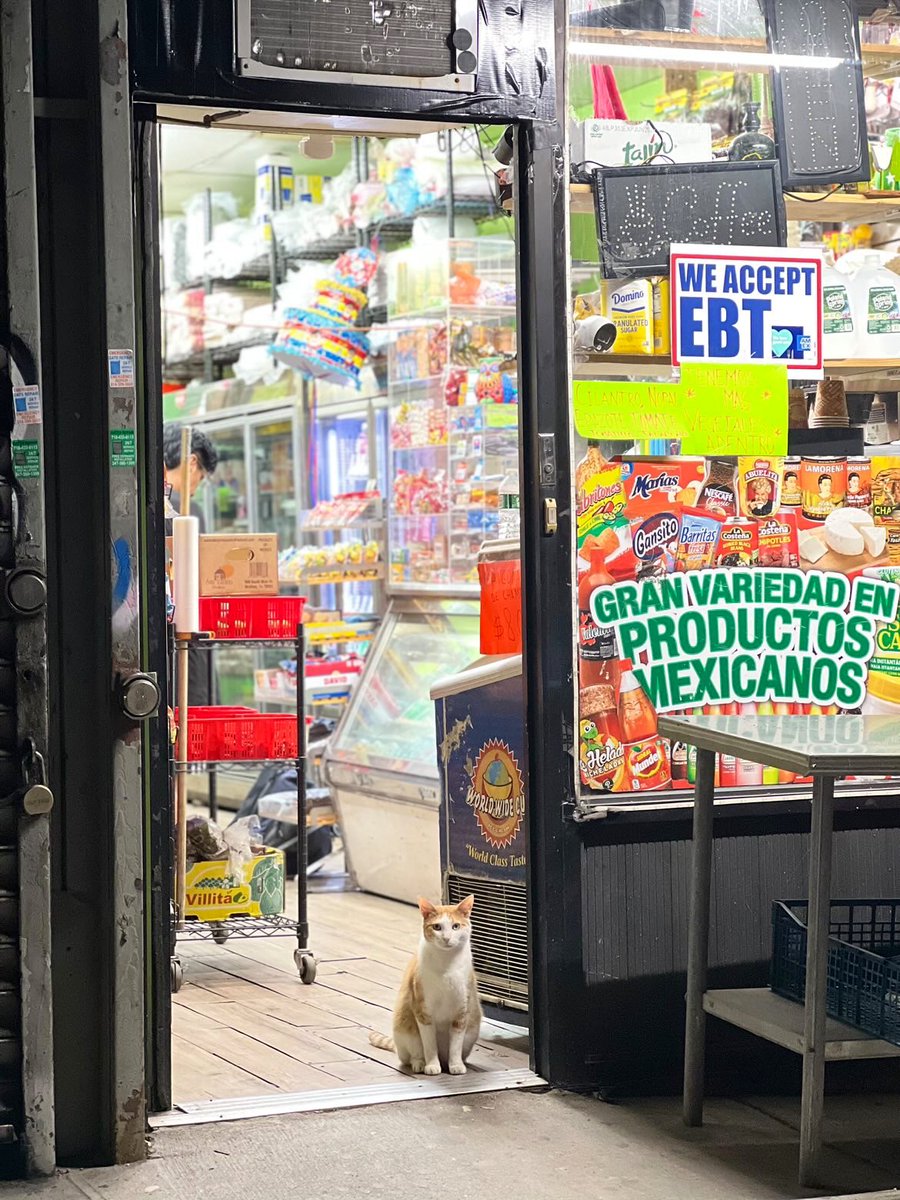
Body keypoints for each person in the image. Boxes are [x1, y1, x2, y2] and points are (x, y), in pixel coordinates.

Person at [163, 425, 219, 705]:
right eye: (201, 477)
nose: (197, 486)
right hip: (190, 636)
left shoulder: (147, 505)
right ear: (192, 461)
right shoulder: (187, 512)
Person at [163, 424, 218, 530]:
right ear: (192, 464)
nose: (193, 493)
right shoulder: (190, 511)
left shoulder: (139, 502)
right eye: (201, 477)